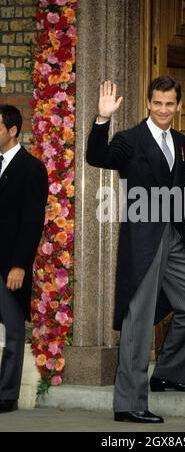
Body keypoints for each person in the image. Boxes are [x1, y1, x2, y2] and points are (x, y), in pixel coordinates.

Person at [86, 77, 185, 424]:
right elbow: (97, 156)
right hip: (141, 241)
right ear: (148, 104)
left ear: (179, 105)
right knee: (138, 322)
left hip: (171, 238)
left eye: (170, 104)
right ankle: (128, 404)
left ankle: (168, 372)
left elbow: (182, 194)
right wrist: (102, 119)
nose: (163, 110)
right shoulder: (130, 139)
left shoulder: (181, 142)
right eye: (157, 103)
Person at [0, 105, 48, 413]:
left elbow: (32, 222)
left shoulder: (32, 169)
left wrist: (19, 264)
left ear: (12, 130)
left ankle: (6, 396)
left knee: (14, 332)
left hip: (9, 267)